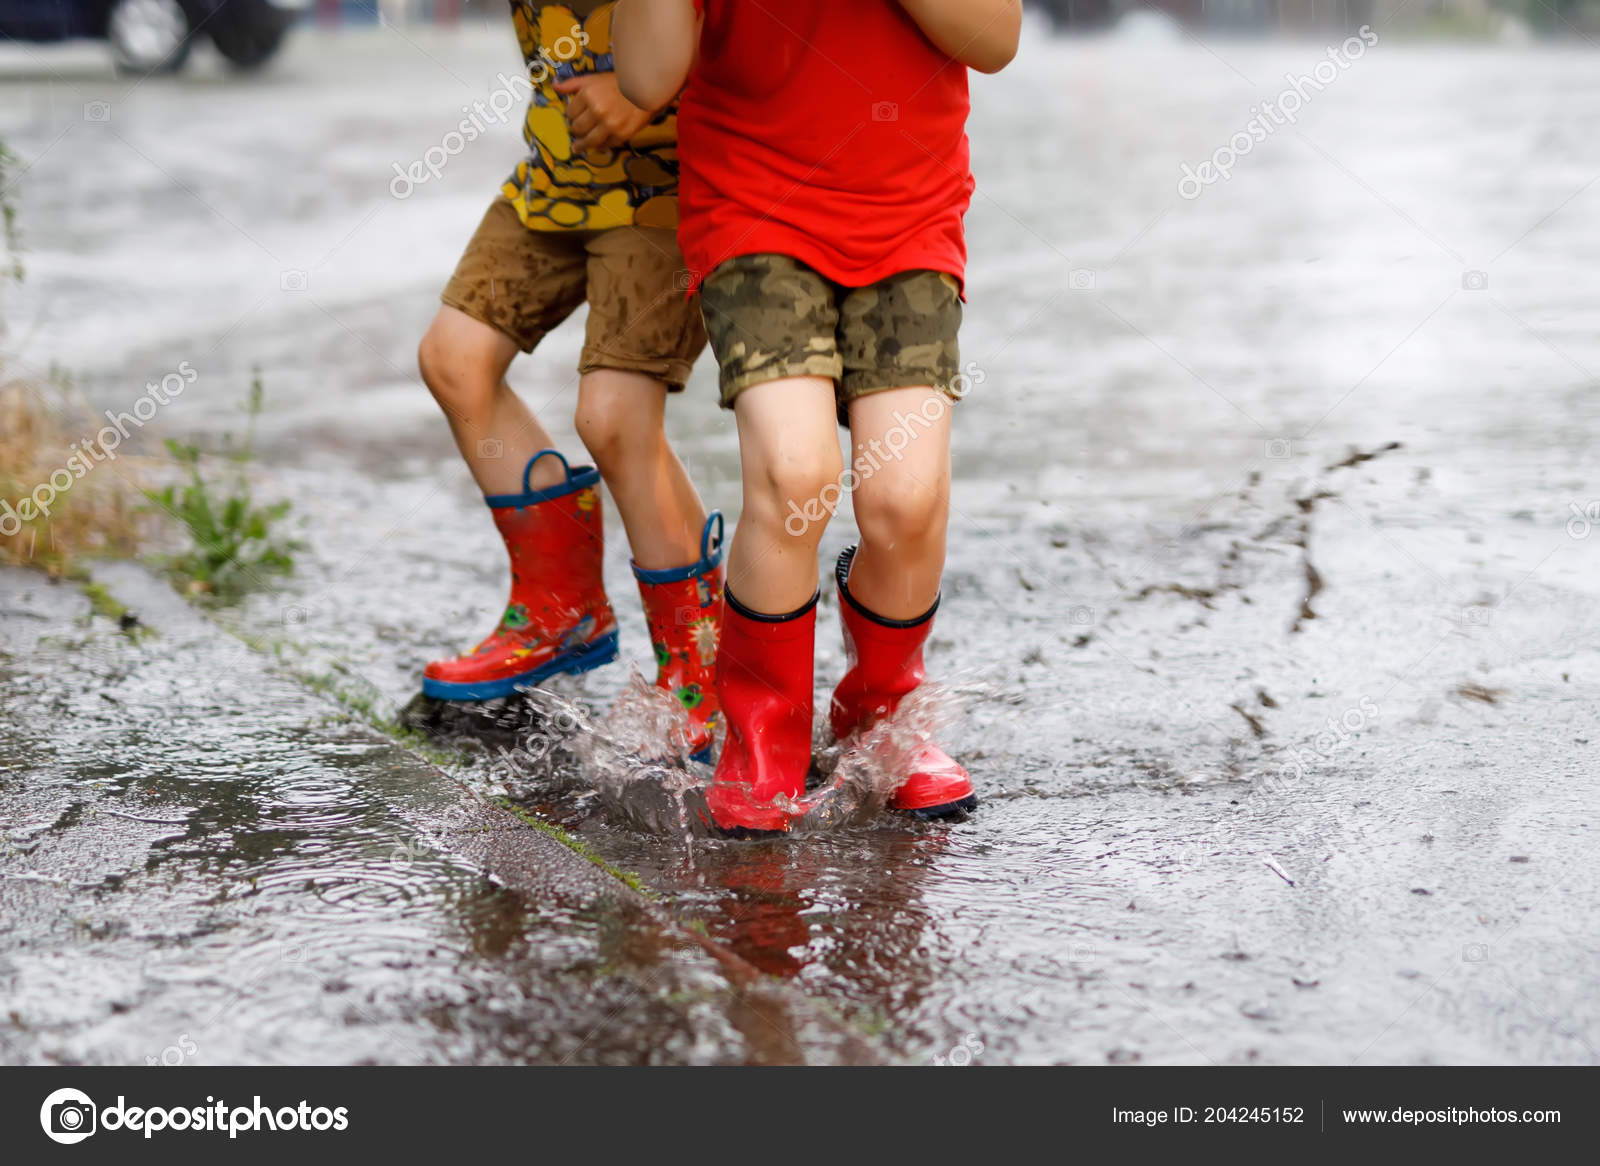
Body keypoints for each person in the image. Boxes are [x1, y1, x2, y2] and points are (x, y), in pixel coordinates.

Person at [614, 0, 1021, 832]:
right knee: (797, 472)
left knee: (904, 500)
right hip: (754, 207)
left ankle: (883, 719)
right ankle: (763, 736)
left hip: (908, 213)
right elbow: (646, 78)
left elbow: (995, 40)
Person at [417, 1, 723, 761]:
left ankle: (702, 668)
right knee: (454, 359)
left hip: (668, 187)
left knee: (615, 418)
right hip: (556, 174)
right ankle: (561, 611)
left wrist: (642, 90)